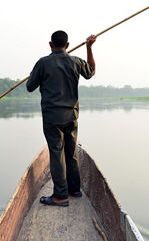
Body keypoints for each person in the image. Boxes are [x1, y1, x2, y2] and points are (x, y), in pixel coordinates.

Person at [26, 30, 96, 207]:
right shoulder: (76, 61)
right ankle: (74, 189)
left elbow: (29, 86)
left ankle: (60, 196)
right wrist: (89, 48)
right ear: (67, 45)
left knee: (57, 153)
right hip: (71, 116)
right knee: (71, 152)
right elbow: (91, 72)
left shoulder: (43, 63)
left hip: (52, 118)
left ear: (51, 44)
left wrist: (36, 73)